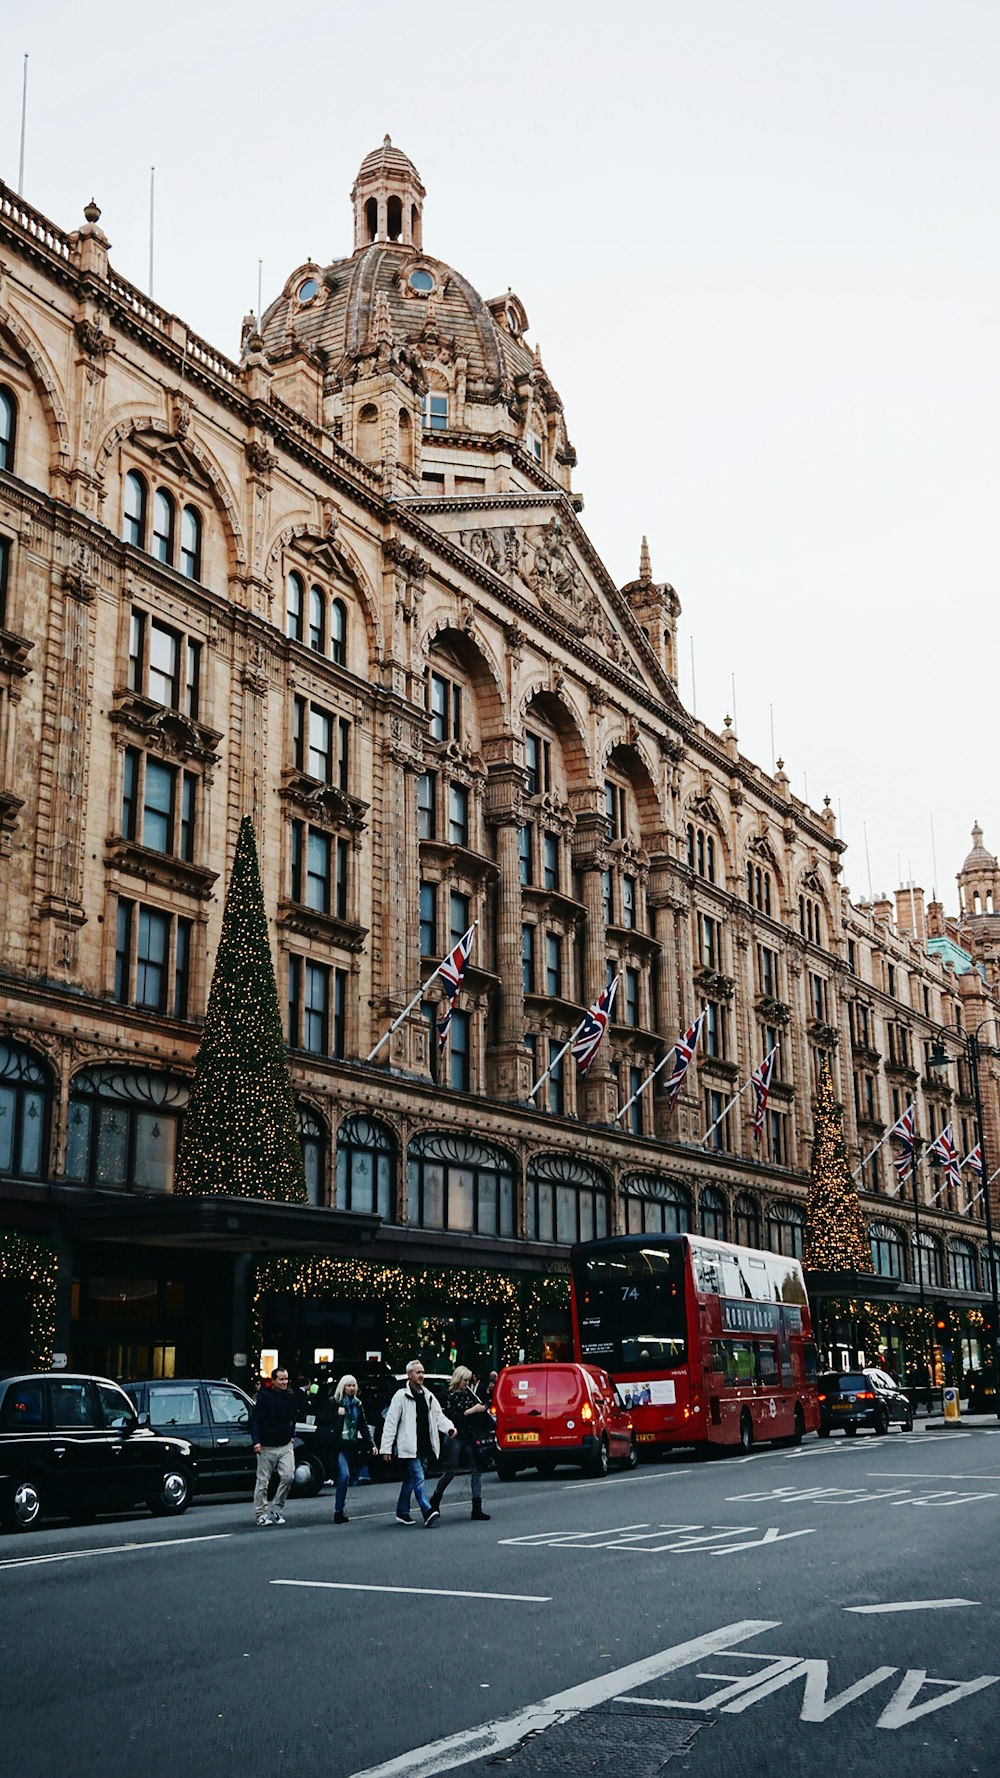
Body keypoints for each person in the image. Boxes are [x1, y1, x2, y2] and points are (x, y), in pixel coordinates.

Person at [380, 1358, 455, 1526]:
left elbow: (438, 1416)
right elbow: (391, 1422)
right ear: (409, 1375)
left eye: (422, 1372)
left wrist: (449, 1428)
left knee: (410, 1478)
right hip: (408, 1446)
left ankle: (402, 1511)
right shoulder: (400, 1396)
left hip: (424, 1445)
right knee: (419, 1477)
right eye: (418, 1372)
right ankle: (427, 1510)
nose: (421, 1375)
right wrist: (386, 1448)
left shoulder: (428, 1396)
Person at [428, 1365, 492, 1522]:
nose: (467, 1383)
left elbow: (481, 1407)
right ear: (458, 1379)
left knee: (476, 1470)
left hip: (469, 1436)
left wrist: (482, 1407)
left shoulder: (469, 1394)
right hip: (456, 1436)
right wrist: (473, 1410)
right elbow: (455, 1415)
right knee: (450, 1471)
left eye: (469, 1381)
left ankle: (476, 1508)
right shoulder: (450, 1396)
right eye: (465, 1380)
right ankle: (435, 1500)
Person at [250, 1366, 298, 1527]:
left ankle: (277, 1508)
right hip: (266, 1445)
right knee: (263, 1481)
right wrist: (256, 1441)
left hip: (285, 1443)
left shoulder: (290, 1395)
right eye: (281, 1379)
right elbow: (255, 1419)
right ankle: (261, 1513)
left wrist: (292, 1434)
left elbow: (293, 1416)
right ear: (274, 1381)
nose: (285, 1382)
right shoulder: (264, 1396)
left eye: (286, 1379)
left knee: (288, 1476)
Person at [328, 1373, 375, 1524]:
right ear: (343, 1387)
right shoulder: (335, 1403)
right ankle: (338, 1511)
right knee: (344, 1476)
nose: (352, 1388)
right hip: (338, 1446)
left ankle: (340, 1509)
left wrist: (371, 1444)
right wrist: (338, 1415)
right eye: (348, 1385)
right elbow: (324, 1421)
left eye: (354, 1385)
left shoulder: (357, 1404)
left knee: (347, 1478)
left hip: (352, 1446)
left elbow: (363, 1425)